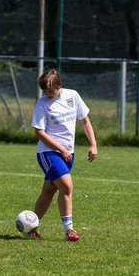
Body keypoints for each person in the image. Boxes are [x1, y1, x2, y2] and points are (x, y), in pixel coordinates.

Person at [27, 69, 97, 241]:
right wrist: (62, 150)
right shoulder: (42, 104)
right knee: (66, 186)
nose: (48, 94)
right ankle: (69, 231)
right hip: (48, 153)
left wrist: (93, 144)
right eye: (45, 91)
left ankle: (29, 228)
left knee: (48, 192)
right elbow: (40, 133)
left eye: (51, 91)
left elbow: (85, 120)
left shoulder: (73, 96)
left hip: (68, 154)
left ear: (60, 86)